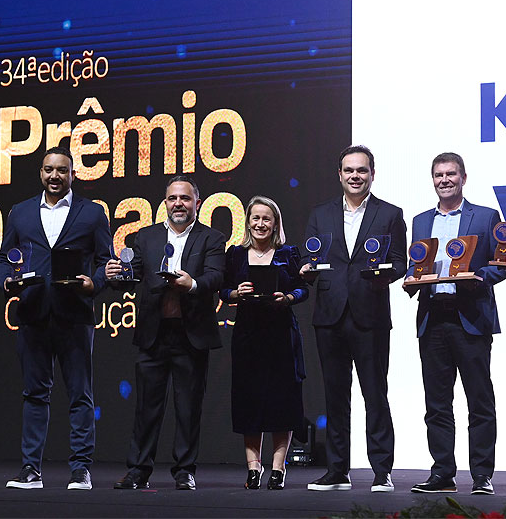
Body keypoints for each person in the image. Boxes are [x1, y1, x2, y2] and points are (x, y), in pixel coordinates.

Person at [0, 146, 112, 490]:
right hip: (33, 314)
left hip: (75, 316)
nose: (55, 176)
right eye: (49, 170)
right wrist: (7, 281)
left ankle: (81, 470)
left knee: (80, 395)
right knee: (34, 394)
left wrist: (95, 283)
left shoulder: (92, 213)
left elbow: (106, 261)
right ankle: (31, 470)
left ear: (73, 174)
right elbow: (2, 259)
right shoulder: (20, 212)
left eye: (62, 170)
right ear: (41, 173)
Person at [299, 145, 407, 492]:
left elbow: (400, 263)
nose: (355, 176)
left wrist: (383, 274)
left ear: (372, 174)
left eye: (362, 170)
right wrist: (306, 270)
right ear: (340, 175)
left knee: (375, 395)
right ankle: (337, 471)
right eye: (349, 170)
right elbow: (310, 257)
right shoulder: (320, 214)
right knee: (335, 397)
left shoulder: (390, 213)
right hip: (329, 315)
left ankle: (382, 471)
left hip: (370, 313)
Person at [108, 175, 225, 491]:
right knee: (146, 407)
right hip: (154, 334)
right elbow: (132, 275)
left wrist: (193, 284)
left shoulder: (211, 238)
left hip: (191, 334)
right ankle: (138, 471)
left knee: (188, 408)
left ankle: (185, 471)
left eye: (185, 198)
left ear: (197, 203)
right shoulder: (146, 237)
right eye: (173, 198)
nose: (178, 204)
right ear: (165, 203)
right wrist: (115, 275)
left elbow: (216, 277)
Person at [403, 153, 506, 495]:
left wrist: (480, 277)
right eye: (439, 175)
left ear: (464, 178)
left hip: (471, 316)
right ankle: (442, 473)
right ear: (433, 179)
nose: (444, 180)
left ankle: (482, 476)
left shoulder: (486, 216)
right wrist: (410, 279)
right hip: (433, 316)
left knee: (480, 401)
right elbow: (416, 264)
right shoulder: (420, 221)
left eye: (451, 174)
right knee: (436, 404)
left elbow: (502, 262)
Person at [220, 196, 308, 490]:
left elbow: (302, 288)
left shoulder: (288, 253)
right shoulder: (235, 254)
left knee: (283, 402)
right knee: (250, 401)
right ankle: (253, 467)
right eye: (255, 218)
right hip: (248, 335)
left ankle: (278, 468)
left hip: (281, 335)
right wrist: (236, 293)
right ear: (247, 222)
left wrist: (289, 297)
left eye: (266, 219)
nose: (260, 224)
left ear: (275, 223)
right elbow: (223, 290)